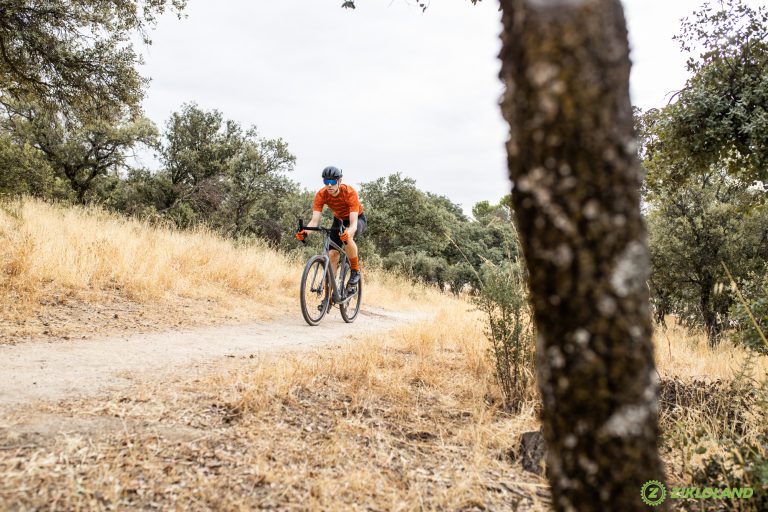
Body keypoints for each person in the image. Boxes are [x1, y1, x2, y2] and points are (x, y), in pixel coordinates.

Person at [296, 166, 365, 286]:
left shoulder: (350, 192)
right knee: (332, 255)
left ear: (339, 181)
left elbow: (353, 224)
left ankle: (355, 270)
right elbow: (314, 221)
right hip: (338, 220)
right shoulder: (321, 194)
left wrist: (348, 232)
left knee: (347, 238)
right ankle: (328, 297)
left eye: (332, 182)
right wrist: (305, 232)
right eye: (326, 182)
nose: (329, 185)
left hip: (356, 219)